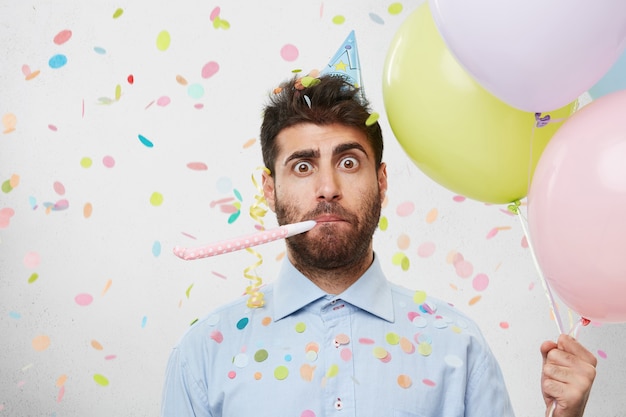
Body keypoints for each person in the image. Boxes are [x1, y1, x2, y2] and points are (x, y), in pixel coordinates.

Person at [161, 75, 597, 417]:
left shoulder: (457, 347)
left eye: (348, 162)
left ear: (381, 182)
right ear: (268, 190)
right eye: (302, 166)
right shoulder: (205, 352)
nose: (327, 188)